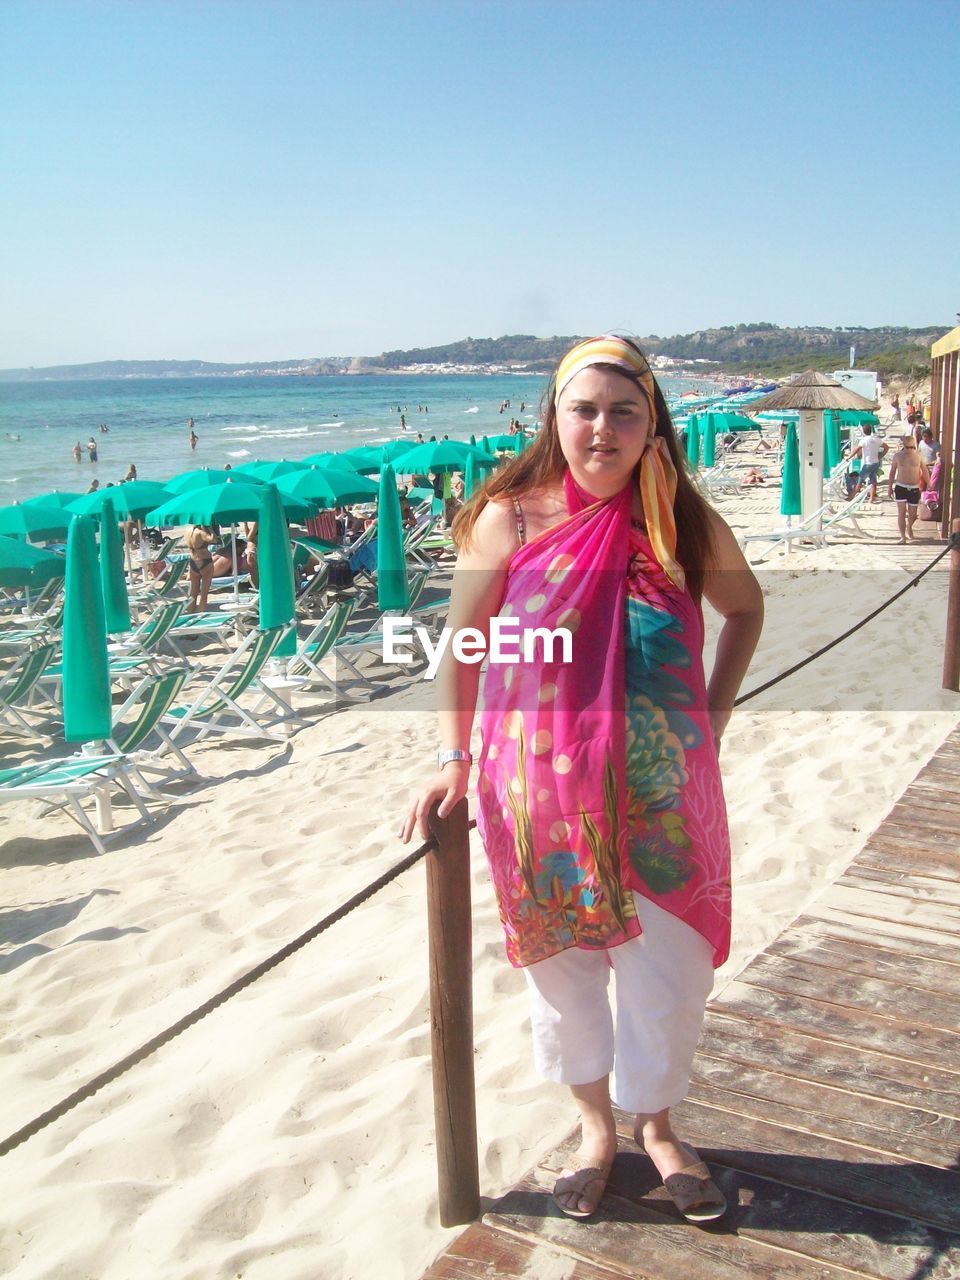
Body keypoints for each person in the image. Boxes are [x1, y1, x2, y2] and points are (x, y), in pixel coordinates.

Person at [401, 335, 763, 1222]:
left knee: (667, 975)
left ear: (652, 424)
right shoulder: (509, 518)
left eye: (623, 412)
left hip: (662, 792)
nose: (602, 429)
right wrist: (454, 759)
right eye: (584, 410)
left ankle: (659, 1126)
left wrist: (711, 719)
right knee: (565, 975)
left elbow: (745, 610)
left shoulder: (679, 516)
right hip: (538, 795)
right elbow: (465, 647)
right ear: (554, 416)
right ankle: (597, 1130)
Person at [887, 434, 930, 543]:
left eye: (912, 448)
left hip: (914, 487)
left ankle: (909, 526)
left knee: (913, 514)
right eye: (908, 448)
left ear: (914, 447)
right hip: (901, 486)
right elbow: (892, 472)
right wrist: (889, 487)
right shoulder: (898, 456)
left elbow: (924, 470)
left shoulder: (918, 456)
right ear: (904, 446)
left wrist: (929, 483)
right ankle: (903, 536)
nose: (910, 450)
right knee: (901, 512)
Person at [850, 424, 887, 503]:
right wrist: (881, 455)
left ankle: (851, 498)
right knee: (873, 481)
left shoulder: (864, 440)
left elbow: (857, 449)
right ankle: (871, 499)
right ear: (871, 430)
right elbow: (886, 447)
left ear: (863, 431)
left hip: (868, 464)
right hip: (875, 463)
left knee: (860, 481)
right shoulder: (876, 439)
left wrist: (849, 457)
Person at [185, 524, 216, 612]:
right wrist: (210, 529)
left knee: (193, 592)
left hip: (193, 561)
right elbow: (214, 539)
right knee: (204, 592)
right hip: (205, 560)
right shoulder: (200, 532)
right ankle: (201, 613)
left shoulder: (187, 531)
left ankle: (191, 612)